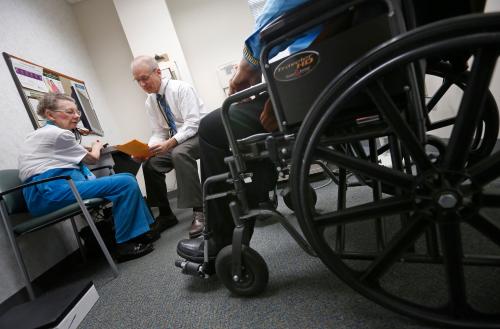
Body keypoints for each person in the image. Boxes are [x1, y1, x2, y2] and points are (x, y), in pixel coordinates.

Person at [176, 0, 324, 261]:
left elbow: (277, 13)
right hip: (342, 71)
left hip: (314, 83)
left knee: (211, 126)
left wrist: (248, 65)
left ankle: (222, 239)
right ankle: (260, 191)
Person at [18, 93, 156, 262]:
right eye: (69, 112)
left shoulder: (46, 133)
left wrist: (87, 147)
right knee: (125, 182)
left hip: (47, 191)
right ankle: (126, 244)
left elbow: (68, 152)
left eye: (77, 112)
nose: (76, 116)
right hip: (48, 192)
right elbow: (92, 158)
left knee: (126, 177)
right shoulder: (59, 134)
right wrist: (96, 145)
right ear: (49, 114)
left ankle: (141, 233)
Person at [131, 56, 208, 238]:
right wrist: (148, 150)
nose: (142, 84)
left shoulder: (181, 88)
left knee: (179, 153)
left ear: (157, 72)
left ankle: (200, 211)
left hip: (201, 134)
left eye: (144, 78)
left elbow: (192, 124)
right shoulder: (150, 101)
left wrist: (171, 143)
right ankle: (166, 214)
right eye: (138, 81)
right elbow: (159, 132)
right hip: (178, 139)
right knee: (150, 164)